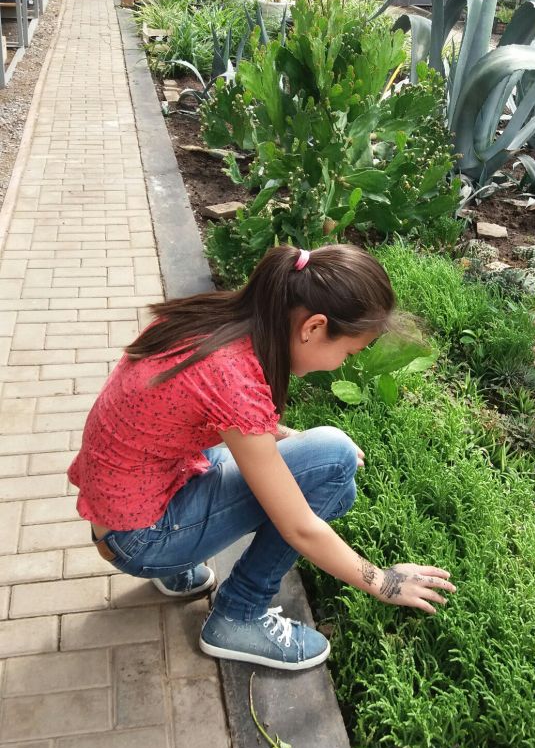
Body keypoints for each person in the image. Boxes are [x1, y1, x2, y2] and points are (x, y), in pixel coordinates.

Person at [68, 244, 455, 671]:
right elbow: (300, 528)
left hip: (123, 509)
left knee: (325, 464)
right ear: (313, 327)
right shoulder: (232, 377)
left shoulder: (214, 320)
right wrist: (385, 582)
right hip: (141, 540)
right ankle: (238, 615)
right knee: (335, 460)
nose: (341, 364)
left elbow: (217, 418)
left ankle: (177, 569)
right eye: (348, 353)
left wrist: (293, 440)